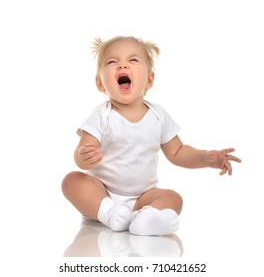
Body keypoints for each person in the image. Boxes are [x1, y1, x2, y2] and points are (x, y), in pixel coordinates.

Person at [61, 36, 241, 236]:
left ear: (149, 79)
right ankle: (108, 212)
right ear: (100, 83)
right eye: (112, 62)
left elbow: (178, 152)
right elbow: (81, 153)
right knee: (72, 181)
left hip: (143, 197)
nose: (122, 66)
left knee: (174, 198)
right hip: (102, 193)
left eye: (133, 60)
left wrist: (205, 157)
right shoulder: (101, 115)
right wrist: (83, 157)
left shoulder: (158, 116)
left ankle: (146, 219)